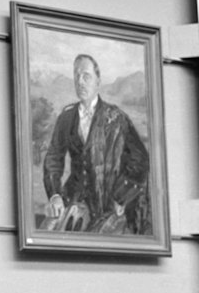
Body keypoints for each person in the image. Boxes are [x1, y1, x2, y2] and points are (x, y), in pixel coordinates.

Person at [42, 54, 150, 234]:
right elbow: (53, 158)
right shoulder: (66, 118)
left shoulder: (116, 118)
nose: (80, 82)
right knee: (48, 233)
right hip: (73, 200)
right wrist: (55, 195)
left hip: (106, 205)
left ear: (98, 81)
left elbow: (141, 160)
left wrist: (120, 197)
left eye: (86, 76)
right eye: (76, 76)